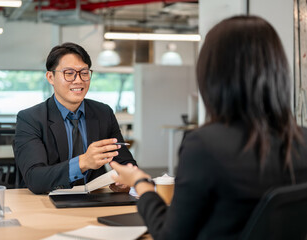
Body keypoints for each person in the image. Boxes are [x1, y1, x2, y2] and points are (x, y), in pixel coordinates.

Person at [110, 15, 307, 240]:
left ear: (212, 75)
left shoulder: (205, 146)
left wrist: (140, 183)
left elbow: (169, 236)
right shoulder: (302, 141)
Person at [14, 42, 136, 194]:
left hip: (95, 199)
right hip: (47, 202)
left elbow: (125, 162)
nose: (78, 80)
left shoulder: (103, 113)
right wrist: (83, 162)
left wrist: (124, 178)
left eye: (84, 73)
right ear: (50, 77)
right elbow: (35, 178)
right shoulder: (30, 118)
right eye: (69, 73)